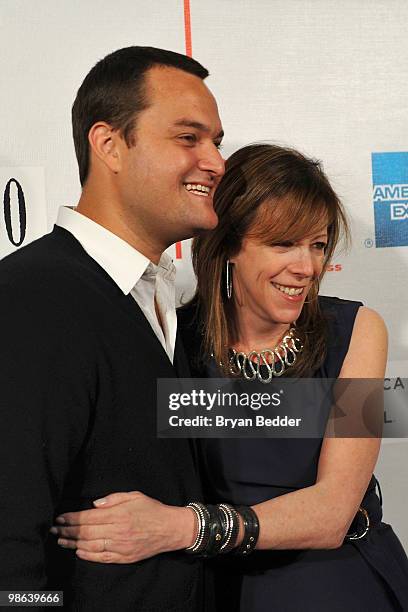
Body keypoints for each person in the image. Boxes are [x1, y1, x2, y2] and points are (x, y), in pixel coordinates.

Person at [50, 144, 408, 611]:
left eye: (317, 245)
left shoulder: (358, 331)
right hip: (217, 590)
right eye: (283, 243)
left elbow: (331, 514)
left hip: (341, 583)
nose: (306, 268)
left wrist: (182, 527)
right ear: (230, 245)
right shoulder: (171, 340)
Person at [0, 46, 224, 611]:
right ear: (109, 145)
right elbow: (8, 535)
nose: (217, 161)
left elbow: (255, 419)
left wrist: (355, 351)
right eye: (189, 138)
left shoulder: (169, 298)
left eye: (216, 141)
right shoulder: (29, 297)